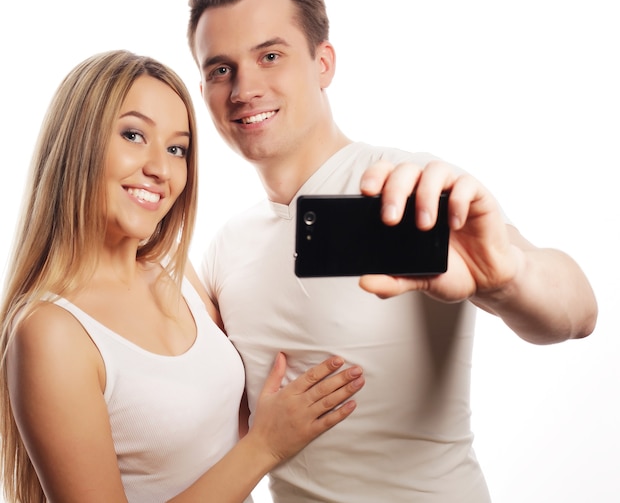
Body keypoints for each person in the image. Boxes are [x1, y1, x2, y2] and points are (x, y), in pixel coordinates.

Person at [185, 0, 598, 502]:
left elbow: (578, 312)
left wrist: (507, 278)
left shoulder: (410, 188)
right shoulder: (224, 249)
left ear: (323, 63)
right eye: (221, 69)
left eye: (270, 56)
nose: (245, 88)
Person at [0, 50, 366, 503]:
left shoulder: (176, 273)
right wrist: (265, 446)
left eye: (177, 148)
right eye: (134, 135)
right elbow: (258, 440)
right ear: (78, 143)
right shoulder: (51, 333)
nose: (160, 169)